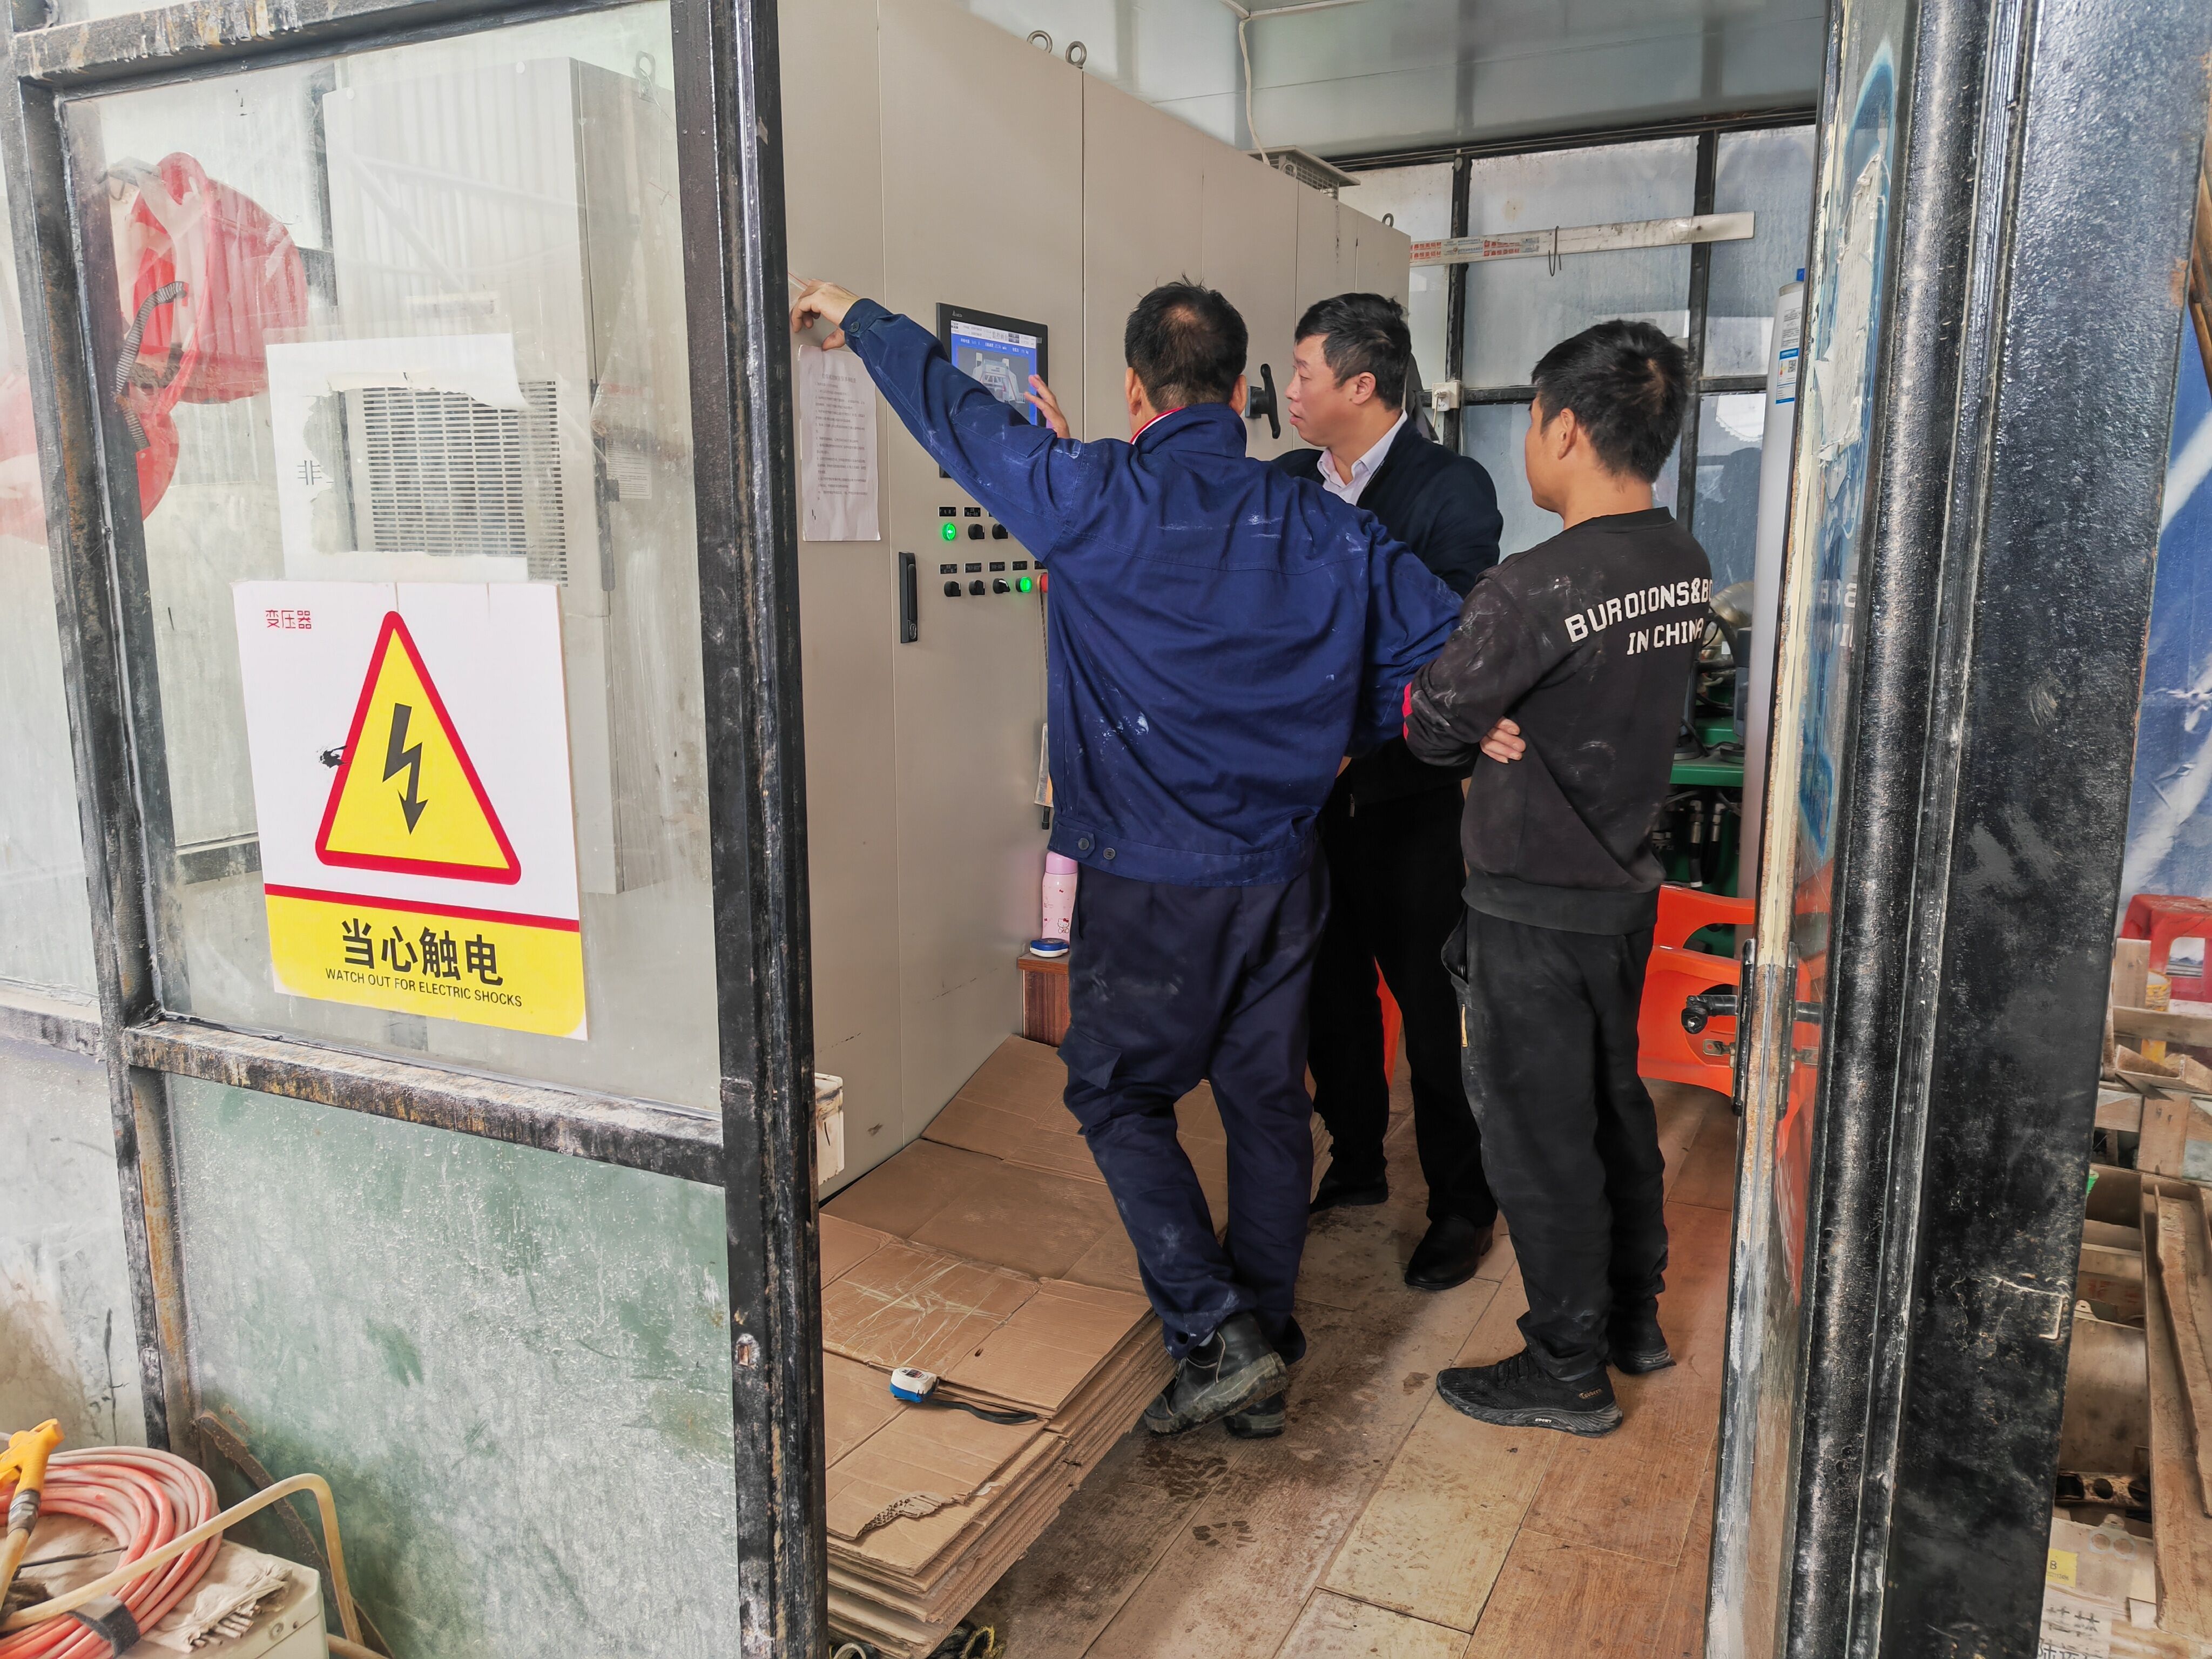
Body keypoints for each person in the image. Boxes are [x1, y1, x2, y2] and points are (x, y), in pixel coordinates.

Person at [790, 276, 1465, 1439]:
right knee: (1266, 1107)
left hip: (1151, 880)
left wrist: (861, 318)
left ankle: (1215, 1331)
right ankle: (1265, 1344)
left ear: (1134, 388)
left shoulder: (1088, 492)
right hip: (1283, 871)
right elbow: (1444, 651)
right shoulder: (1324, 524)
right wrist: (1333, 734)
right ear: (1243, 394)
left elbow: (957, 417)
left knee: (1112, 1090)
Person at [1402, 318, 1709, 1437]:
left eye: (1532, 422)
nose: (1529, 443)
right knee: (1613, 1108)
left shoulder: (1530, 587)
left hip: (1529, 902)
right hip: (1621, 890)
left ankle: (1566, 1368)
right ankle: (1633, 1320)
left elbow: (1432, 728)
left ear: (1566, 429)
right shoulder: (1680, 562)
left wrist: (1473, 722)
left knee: (1537, 1139)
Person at [1273, 293, 1505, 1293]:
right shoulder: (1285, 482)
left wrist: (1352, 741)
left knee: (1432, 1011)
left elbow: (1449, 641)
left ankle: (1463, 1204)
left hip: (1406, 804)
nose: (1288, 392)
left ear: (1361, 384)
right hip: (1308, 807)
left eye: (1304, 374)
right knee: (1329, 998)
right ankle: (1357, 1159)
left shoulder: (1449, 488)